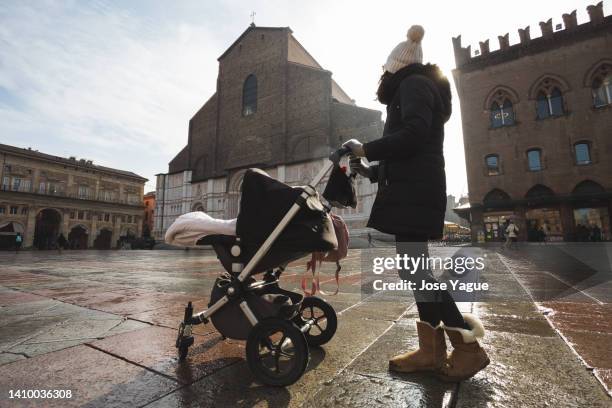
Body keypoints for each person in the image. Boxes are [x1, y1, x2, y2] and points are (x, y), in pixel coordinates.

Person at [343, 25, 488, 382]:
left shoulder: (413, 85)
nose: (382, 75)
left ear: (395, 66)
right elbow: (411, 150)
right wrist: (371, 170)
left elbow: (414, 135)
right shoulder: (413, 87)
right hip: (414, 189)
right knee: (416, 270)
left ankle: (467, 350)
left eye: (384, 68)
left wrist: (368, 148)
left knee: (417, 271)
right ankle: (432, 350)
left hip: (417, 194)